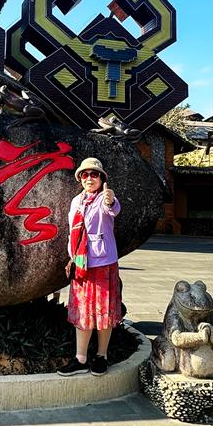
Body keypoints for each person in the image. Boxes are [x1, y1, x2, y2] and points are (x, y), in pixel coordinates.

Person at [57, 157, 122, 377]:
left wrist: (110, 200)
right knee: (83, 311)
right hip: (81, 264)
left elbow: (112, 209)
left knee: (104, 311)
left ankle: (102, 356)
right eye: (85, 175)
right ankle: (81, 358)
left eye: (94, 174)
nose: (89, 178)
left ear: (101, 178)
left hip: (103, 263)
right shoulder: (76, 201)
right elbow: (72, 232)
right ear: (80, 179)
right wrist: (72, 256)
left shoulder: (104, 198)